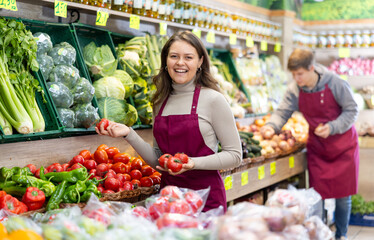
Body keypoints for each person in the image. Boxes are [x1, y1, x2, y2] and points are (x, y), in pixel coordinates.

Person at [96, 31, 242, 212]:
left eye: (188, 57)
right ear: (165, 61)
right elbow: (159, 159)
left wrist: (193, 163)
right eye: (174, 56)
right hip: (168, 200)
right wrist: (128, 133)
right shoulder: (160, 102)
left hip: (206, 200)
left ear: (200, 62)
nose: (180, 63)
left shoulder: (213, 99)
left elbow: (235, 155)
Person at [261, 48, 359, 240]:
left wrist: (332, 127)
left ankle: (342, 235)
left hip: (343, 146)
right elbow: (283, 111)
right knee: (317, 195)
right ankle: (319, 234)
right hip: (319, 149)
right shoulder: (295, 89)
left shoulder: (335, 83)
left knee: (343, 196)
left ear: (312, 68)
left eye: (300, 74)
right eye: (294, 74)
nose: (297, 79)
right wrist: (271, 126)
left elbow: (352, 110)